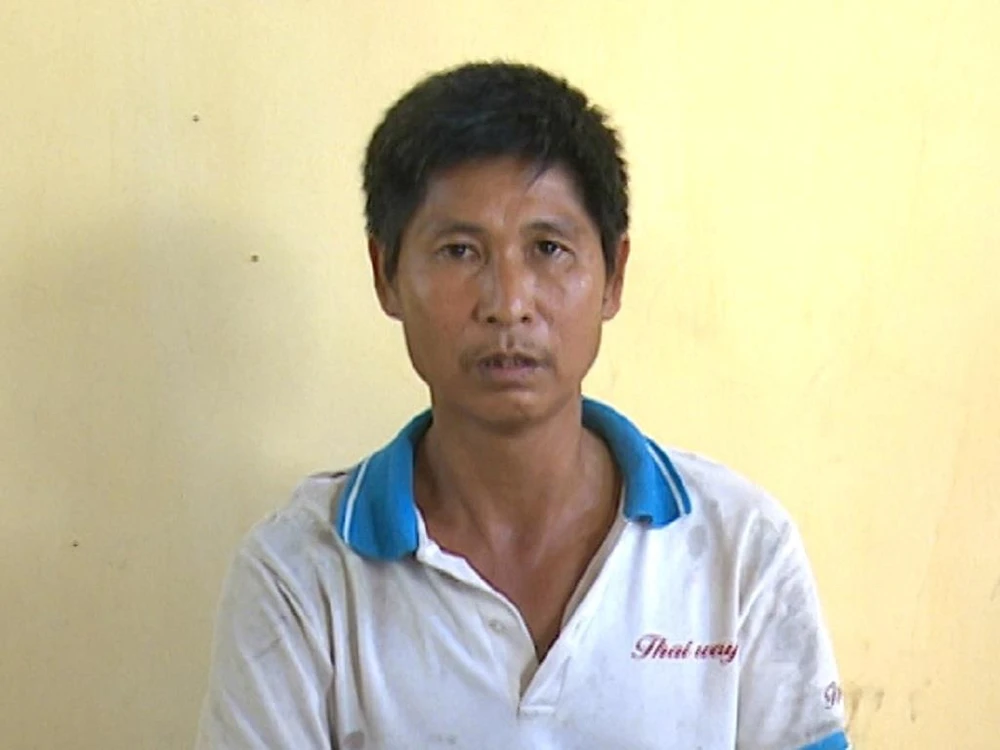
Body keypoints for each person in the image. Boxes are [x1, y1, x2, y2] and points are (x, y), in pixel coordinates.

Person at [195, 61, 850, 750]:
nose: (508, 303)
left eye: (548, 248)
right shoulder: (301, 576)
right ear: (385, 275)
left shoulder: (739, 546)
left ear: (613, 275)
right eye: (459, 251)